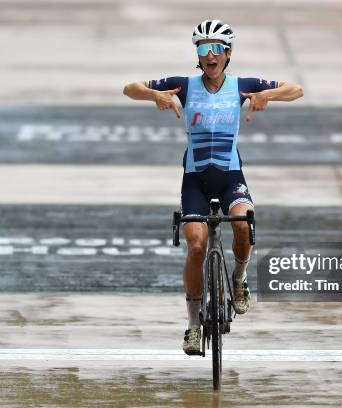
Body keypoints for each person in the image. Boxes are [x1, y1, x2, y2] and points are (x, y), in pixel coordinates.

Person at [123, 19, 303, 355]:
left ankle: (239, 279)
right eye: (203, 49)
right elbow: (129, 87)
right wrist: (152, 95)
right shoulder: (185, 86)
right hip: (196, 179)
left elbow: (297, 89)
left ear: (228, 53)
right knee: (195, 246)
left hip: (230, 175)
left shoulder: (242, 86)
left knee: (245, 223)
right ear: (198, 55)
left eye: (216, 48)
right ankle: (193, 325)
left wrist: (268, 94)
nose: (210, 55)